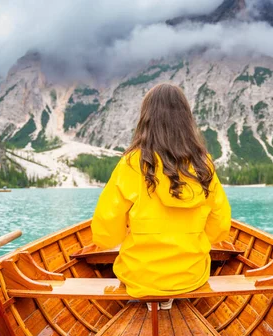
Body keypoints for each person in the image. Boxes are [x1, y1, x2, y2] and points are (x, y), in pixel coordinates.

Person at [91, 83, 231, 310]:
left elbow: (106, 233)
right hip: (191, 275)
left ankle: (150, 302)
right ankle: (170, 300)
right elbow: (219, 230)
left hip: (140, 277)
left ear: (146, 119)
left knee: (133, 269)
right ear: (186, 120)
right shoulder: (204, 165)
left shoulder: (131, 163)